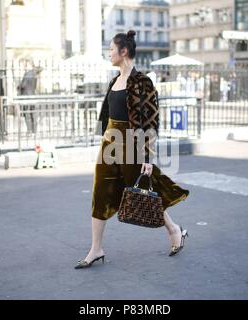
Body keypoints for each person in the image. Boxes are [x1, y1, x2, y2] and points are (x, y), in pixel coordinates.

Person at [75, 30, 190, 269]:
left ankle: (173, 229)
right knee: (100, 191)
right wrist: (101, 135)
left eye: (111, 49)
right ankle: (96, 249)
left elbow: (151, 122)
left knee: (143, 189)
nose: (109, 53)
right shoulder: (113, 80)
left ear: (123, 51)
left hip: (132, 144)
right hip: (110, 142)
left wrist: (147, 156)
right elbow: (106, 115)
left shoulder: (142, 82)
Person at [17, 65, 43, 134]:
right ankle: (34, 130)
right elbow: (34, 87)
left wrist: (18, 86)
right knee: (33, 114)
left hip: (26, 96)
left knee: (26, 114)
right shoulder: (34, 76)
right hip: (32, 96)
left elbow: (23, 85)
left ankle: (29, 130)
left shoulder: (28, 74)